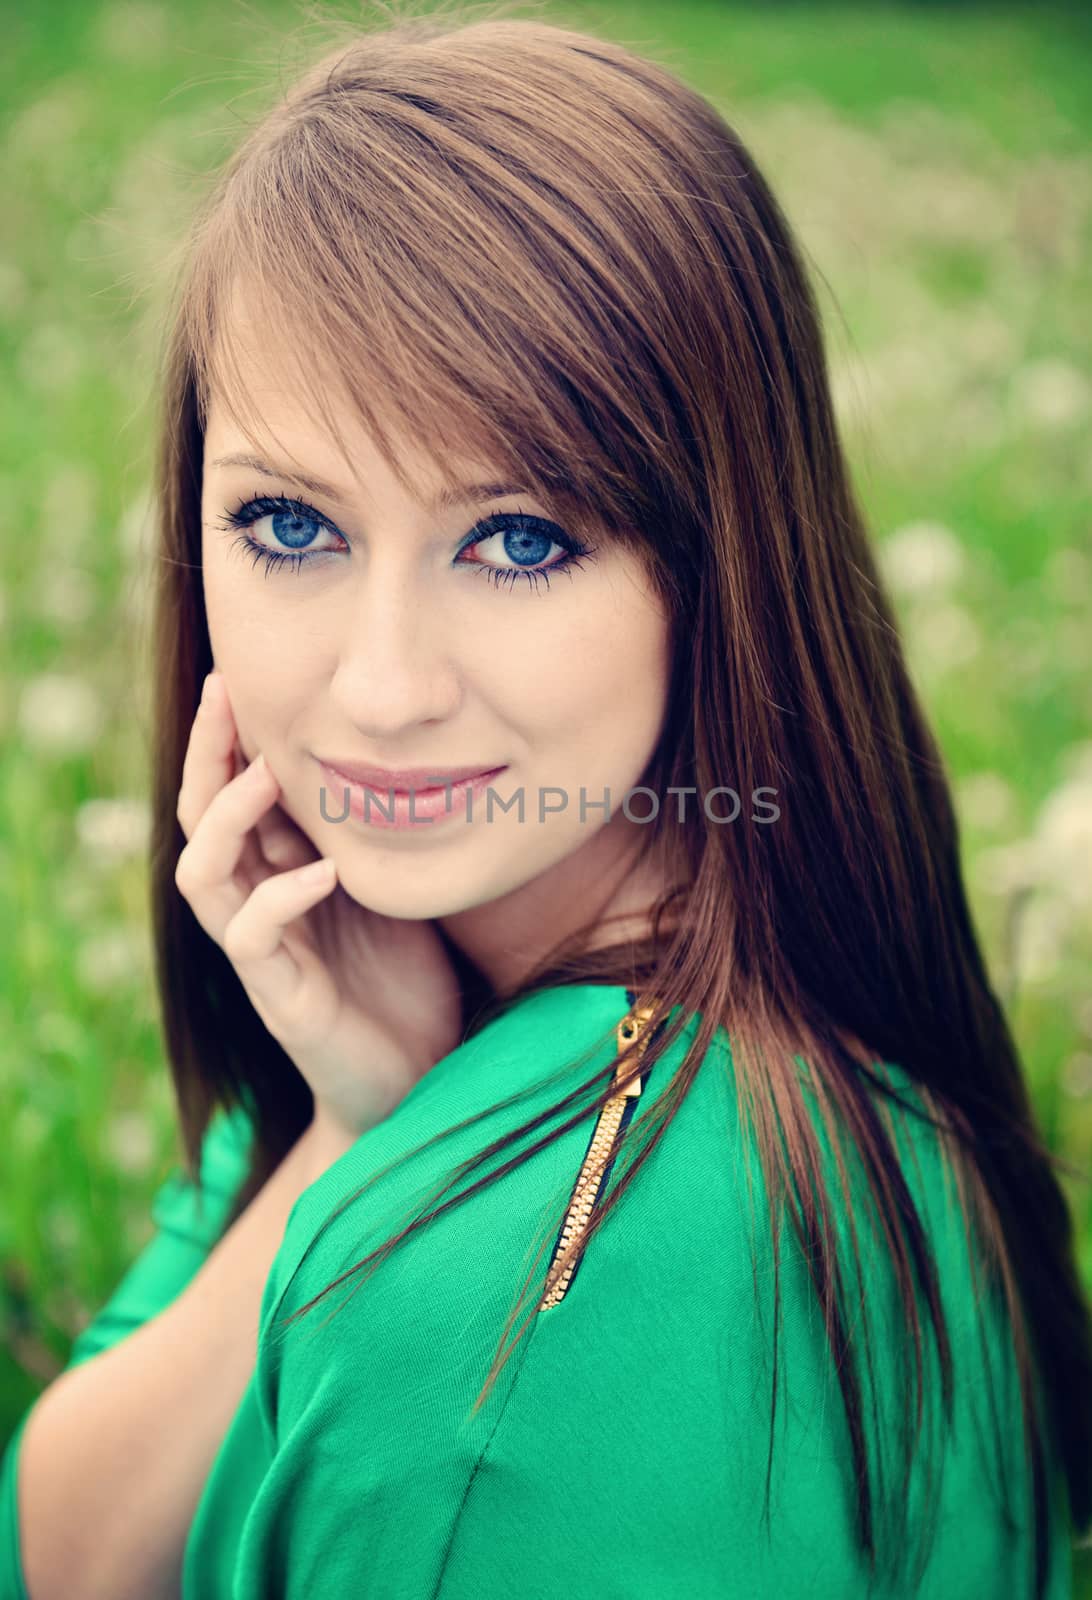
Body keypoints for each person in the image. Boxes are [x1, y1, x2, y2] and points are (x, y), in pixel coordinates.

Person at [3, 9, 1089, 1598]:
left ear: (720, 555)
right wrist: (356, 1133)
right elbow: (68, 1546)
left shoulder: (515, 1330)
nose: (379, 688)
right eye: (290, 522)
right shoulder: (423, 1007)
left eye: (519, 538)